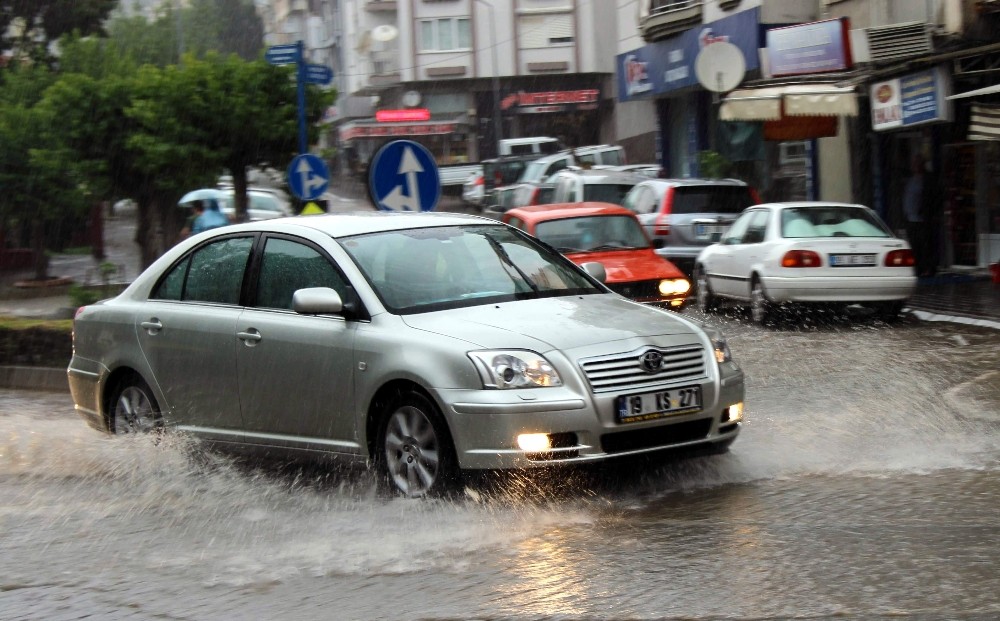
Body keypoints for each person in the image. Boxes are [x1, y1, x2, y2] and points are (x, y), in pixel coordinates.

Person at [903, 152, 935, 276]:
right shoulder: (911, 180)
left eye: (917, 163)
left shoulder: (927, 180)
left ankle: (928, 268)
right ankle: (918, 268)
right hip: (910, 219)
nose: (914, 166)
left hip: (922, 219)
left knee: (925, 245)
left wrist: (926, 211)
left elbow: (932, 197)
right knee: (914, 245)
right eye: (913, 163)